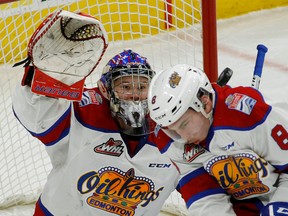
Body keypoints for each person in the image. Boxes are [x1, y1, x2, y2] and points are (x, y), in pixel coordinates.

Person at [12, 10, 257, 216]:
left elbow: (206, 188)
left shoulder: (174, 130)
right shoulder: (83, 112)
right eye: (125, 86)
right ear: (105, 90)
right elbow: (37, 115)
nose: (135, 95)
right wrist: (42, 78)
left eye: (142, 87)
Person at [148, 63, 288, 216]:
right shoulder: (171, 142)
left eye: (185, 124)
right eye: (173, 131)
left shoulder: (249, 117)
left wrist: (280, 207)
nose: (184, 137)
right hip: (246, 203)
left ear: (205, 103)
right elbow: (205, 197)